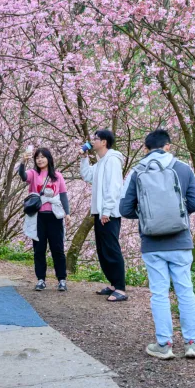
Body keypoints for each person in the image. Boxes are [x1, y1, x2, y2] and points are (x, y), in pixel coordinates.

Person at [120, 128, 195, 359]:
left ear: (146, 149)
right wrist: (175, 215)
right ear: (168, 146)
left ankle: (164, 345)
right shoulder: (184, 168)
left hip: (152, 243)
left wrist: (150, 217)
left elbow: (124, 209)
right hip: (181, 240)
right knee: (185, 291)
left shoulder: (137, 171)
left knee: (159, 293)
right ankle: (191, 344)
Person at [80, 128, 127, 302]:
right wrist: (84, 157)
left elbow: (114, 186)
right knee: (102, 249)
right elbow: (86, 175)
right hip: (100, 213)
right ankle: (114, 284)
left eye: (96, 138)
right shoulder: (101, 162)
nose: (92, 141)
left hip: (109, 213)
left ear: (104, 142)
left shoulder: (113, 160)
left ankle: (121, 289)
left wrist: (106, 210)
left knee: (111, 249)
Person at [19, 147, 70, 291]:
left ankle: (62, 279)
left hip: (54, 216)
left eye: (43, 157)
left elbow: (63, 195)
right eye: (37, 157)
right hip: (38, 217)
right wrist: (23, 161)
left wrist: (68, 213)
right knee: (39, 249)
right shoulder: (33, 174)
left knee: (57, 249)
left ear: (49, 158)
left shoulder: (57, 176)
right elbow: (23, 176)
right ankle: (41, 279)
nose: (40, 159)